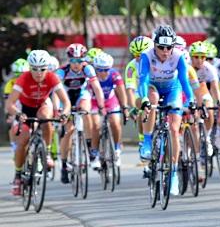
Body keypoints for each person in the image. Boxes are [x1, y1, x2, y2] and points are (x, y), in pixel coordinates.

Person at [139, 25, 195, 196]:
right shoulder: (147, 56)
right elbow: (143, 80)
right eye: (161, 47)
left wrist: (191, 100)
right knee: (153, 101)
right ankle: (148, 141)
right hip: (153, 87)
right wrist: (144, 100)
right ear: (154, 45)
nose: (165, 51)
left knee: (173, 129)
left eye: (168, 47)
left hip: (172, 89)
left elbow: (184, 81)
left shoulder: (178, 56)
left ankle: (173, 174)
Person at [5, 50, 70, 195]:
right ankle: (17, 175)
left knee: (46, 118)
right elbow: (10, 103)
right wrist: (17, 114)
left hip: (42, 105)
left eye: (42, 69)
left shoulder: (52, 77)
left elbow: (65, 102)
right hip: (25, 108)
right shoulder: (23, 78)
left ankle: (46, 152)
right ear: (30, 68)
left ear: (47, 68)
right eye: (34, 68)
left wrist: (64, 113)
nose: (38, 73)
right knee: (22, 140)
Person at [55, 43, 106, 182]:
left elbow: (96, 88)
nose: (76, 64)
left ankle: (89, 145)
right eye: (73, 61)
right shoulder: (62, 71)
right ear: (68, 60)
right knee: (69, 130)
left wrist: (101, 105)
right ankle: (64, 164)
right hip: (65, 97)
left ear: (84, 59)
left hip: (81, 95)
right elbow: (55, 93)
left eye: (79, 61)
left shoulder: (88, 69)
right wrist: (57, 109)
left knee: (86, 110)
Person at [90, 53, 129, 168]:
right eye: (99, 70)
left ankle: (116, 149)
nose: (103, 73)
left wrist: (125, 107)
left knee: (115, 123)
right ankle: (95, 153)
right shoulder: (90, 76)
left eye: (106, 69)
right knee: (96, 125)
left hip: (110, 101)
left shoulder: (114, 75)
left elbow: (121, 92)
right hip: (95, 102)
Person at [124, 36, 154, 152]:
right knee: (142, 106)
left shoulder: (156, 61)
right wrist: (133, 107)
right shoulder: (131, 67)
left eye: (142, 54)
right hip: (140, 91)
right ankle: (143, 139)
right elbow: (130, 90)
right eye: (136, 55)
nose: (139, 58)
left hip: (157, 89)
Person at [4, 58, 30, 157]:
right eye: (17, 74)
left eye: (23, 74)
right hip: (16, 105)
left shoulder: (32, 80)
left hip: (29, 104)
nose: (20, 77)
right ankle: (14, 146)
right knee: (13, 125)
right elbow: (8, 102)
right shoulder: (10, 84)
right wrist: (10, 115)